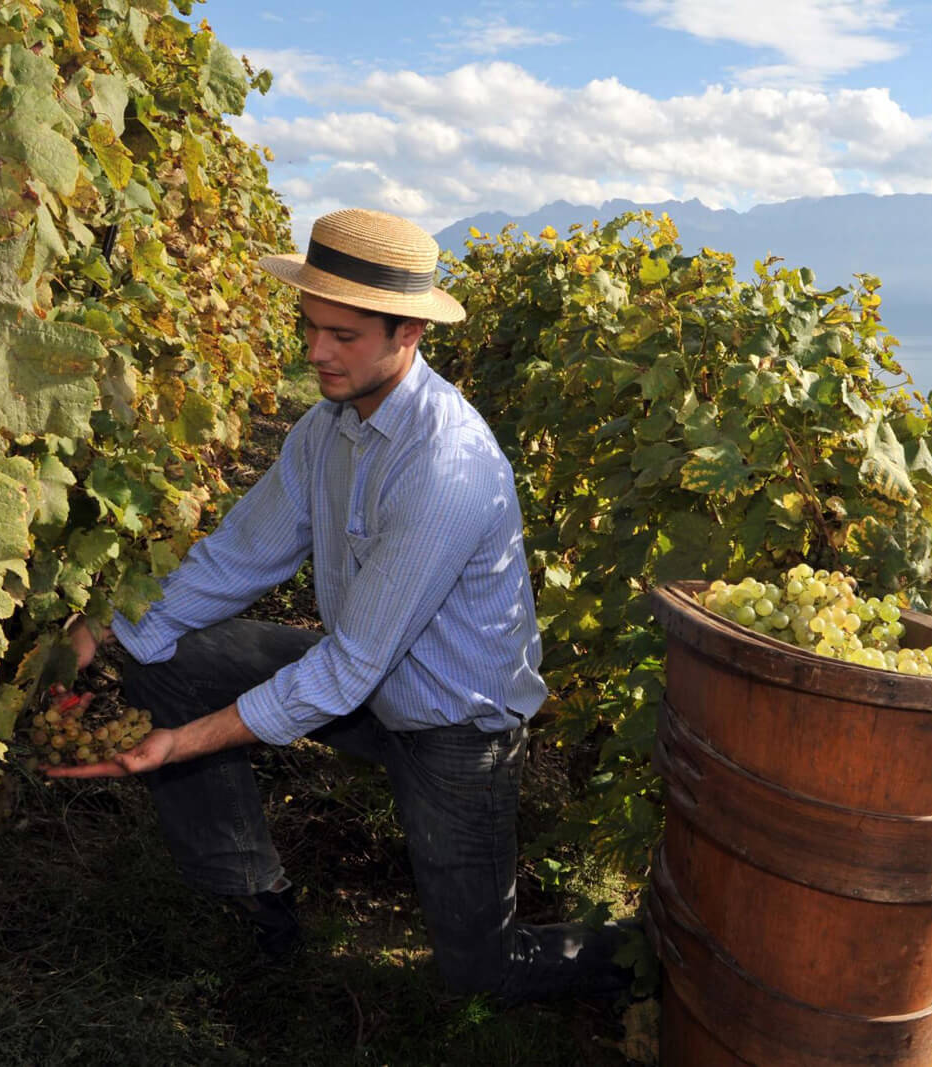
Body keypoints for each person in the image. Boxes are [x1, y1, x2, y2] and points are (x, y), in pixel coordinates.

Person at [48, 208, 632, 1001]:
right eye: (312, 326)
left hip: (455, 726)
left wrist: (177, 745)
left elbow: (350, 663)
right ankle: (255, 904)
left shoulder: (446, 465)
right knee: (169, 655)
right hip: (365, 684)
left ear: (409, 335)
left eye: (345, 335)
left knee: (480, 976)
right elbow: (237, 557)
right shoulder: (325, 429)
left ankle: (648, 949)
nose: (317, 352)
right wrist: (104, 630)